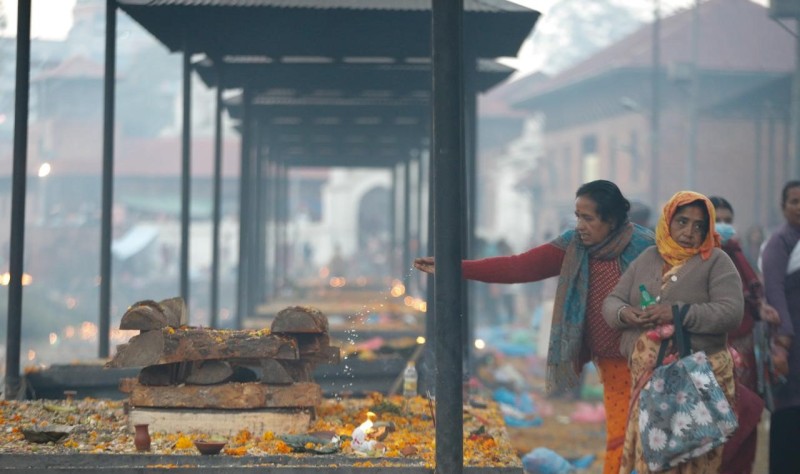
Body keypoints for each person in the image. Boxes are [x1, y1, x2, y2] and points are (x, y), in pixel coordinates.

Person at [414, 180, 654, 474]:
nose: (579, 225)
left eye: (588, 218)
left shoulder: (646, 248)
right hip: (612, 361)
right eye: (577, 216)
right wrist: (455, 267)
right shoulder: (574, 246)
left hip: (650, 356)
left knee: (644, 435)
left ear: (612, 219)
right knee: (622, 434)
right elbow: (519, 266)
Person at [603, 191, 744, 473]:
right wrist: (625, 313)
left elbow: (731, 312)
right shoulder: (648, 258)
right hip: (649, 383)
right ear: (668, 221)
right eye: (682, 222)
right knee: (652, 460)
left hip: (697, 382)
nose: (689, 232)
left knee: (693, 461)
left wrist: (678, 312)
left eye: (699, 226)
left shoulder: (716, 261)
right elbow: (612, 301)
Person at [709, 196, 780, 474]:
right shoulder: (699, 258)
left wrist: (762, 308)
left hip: (744, 347)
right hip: (713, 347)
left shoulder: (737, 253)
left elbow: (754, 293)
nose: (724, 226)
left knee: (745, 414)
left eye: (728, 220)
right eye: (718, 220)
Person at [761, 180, 800, 474]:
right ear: (783, 207)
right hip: (792, 347)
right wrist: (783, 343)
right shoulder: (780, 242)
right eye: (794, 201)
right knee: (790, 415)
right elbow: (774, 292)